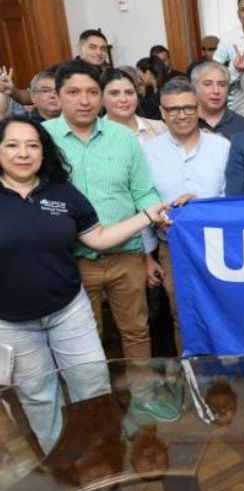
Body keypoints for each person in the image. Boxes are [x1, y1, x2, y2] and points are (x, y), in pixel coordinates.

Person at [0, 117, 169, 452]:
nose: (23, 153)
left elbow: (99, 237)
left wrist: (148, 215)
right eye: (12, 145)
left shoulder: (63, 192)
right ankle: (59, 458)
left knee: (92, 382)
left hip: (68, 311)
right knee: (37, 395)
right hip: (12, 323)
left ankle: (101, 453)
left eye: (32, 145)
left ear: (44, 152)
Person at [44, 61, 163, 359]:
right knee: (84, 341)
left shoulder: (123, 137)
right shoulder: (42, 138)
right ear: (57, 96)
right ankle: (97, 391)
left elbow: (142, 191)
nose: (84, 100)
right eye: (74, 92)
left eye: (92, 92)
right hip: (72, 260)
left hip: (127, 255)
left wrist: (164, 216)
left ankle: (142, 390)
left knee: (136, 331)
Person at [143, 80, 230, 353]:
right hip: (172, 249)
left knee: (224, 313)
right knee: (182, 316)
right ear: (162, 112)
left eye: (189, 108)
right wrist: (147, 256)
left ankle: (227, 375)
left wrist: (200, 208)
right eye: (173, 109)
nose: (182, 115)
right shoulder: (147, 151)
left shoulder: (222, 147)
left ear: (198, 108)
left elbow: (233, 197)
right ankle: (191, 374)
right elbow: (142, 201)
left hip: (219, 248)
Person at [101, 68, 167, 143]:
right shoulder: (94, 135)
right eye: (114, 93)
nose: (123, 99)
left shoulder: (158, 128)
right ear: (101, 99)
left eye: (129, 92)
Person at [191, 61, 244, 140]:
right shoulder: (184, 121)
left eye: (222, 85)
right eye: (208, 84)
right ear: (194, 88)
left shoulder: (243, 126)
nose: (216, 91)